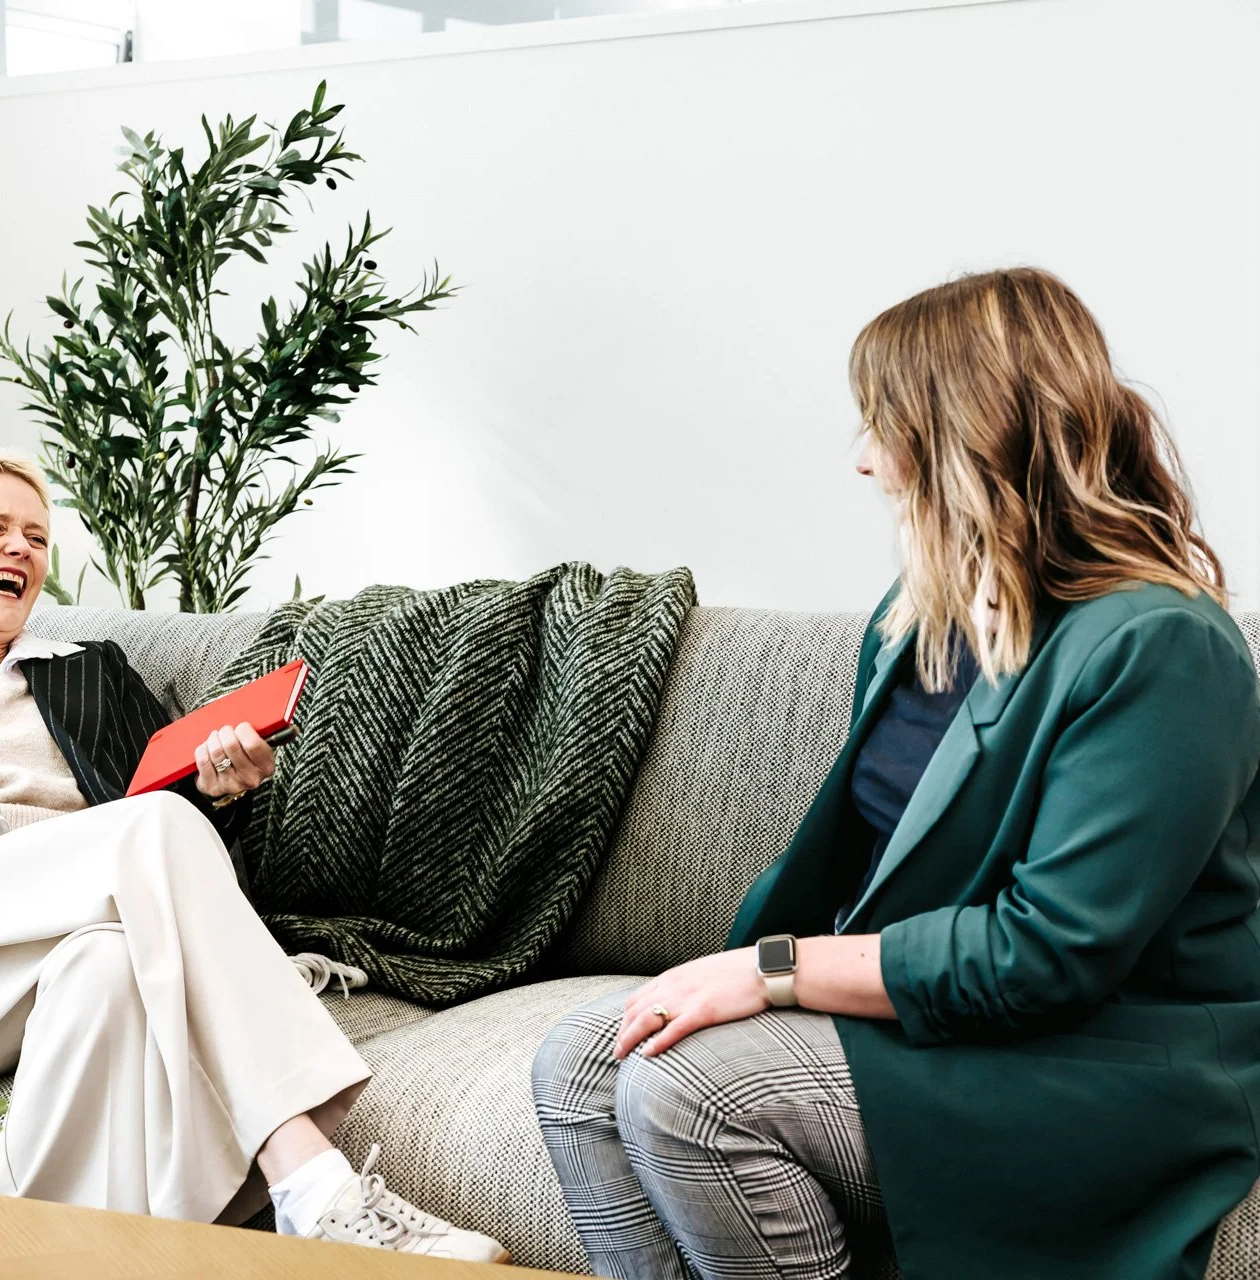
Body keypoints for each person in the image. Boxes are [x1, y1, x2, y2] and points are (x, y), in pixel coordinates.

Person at [530, 268, 1260, 1279]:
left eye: (882, 425)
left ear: (965, 441)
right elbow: (864, 868)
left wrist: (772, 971)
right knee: (579, 1064)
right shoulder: (918, 619)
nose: (866, 463)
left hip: (1102, 1058)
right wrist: (751, 974)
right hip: (943, 1021)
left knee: (689, 1092)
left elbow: (1044, 956)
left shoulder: (1163, 649)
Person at [0, 447, 506, 1261]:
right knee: (148, 830)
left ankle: (56, 1252)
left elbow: (168, 818)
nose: (22, 550)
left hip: (64, 941)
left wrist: (219, 789)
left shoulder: (92, 674)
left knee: (110, 969)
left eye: (37, 538)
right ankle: (313, 1182)